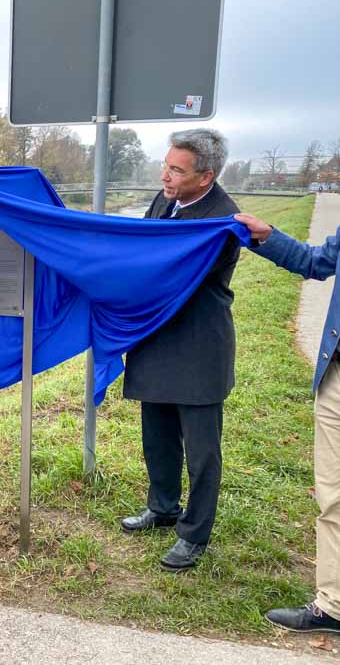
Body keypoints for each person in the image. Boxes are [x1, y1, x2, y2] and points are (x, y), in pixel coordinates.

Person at [121, 129, 240, 571]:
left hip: (197, 347)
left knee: (202, 450)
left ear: (205, 177)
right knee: (158, 435)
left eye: (176, 170)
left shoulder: (223, 219)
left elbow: (167, 273)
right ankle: (163, 507)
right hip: (157, 339)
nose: (164, 176)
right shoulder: (163, 201)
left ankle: (194, 535)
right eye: (165, 165)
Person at [235, 210, 340, 632]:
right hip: (336, 377)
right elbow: (318, 262)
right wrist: (267, 236)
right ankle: (333, 605)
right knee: (333, 495)